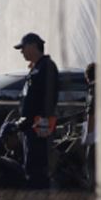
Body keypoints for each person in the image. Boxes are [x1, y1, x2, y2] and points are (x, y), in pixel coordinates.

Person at [14, 32, 59, 190]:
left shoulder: (46, 67)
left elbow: (49, 97)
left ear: (33, 46)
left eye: (23, 47)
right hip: (31, 125)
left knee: (38, 167)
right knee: (31, 165)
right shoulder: (37, 68)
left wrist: (43, 121)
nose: (21, 52)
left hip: (40, 125)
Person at [81, 62, 96, 190]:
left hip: (96, 135)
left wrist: (89, 135)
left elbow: (91, 113)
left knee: (91, 163)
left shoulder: (93, 89)